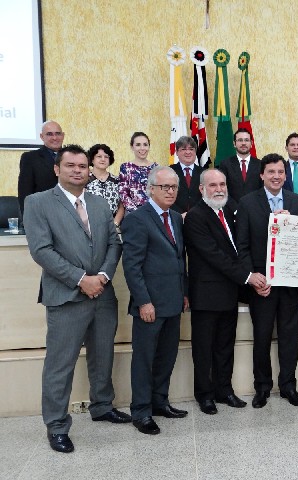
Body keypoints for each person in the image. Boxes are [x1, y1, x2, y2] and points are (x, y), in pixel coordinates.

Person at [23, 144, 128, 454]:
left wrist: (103, 277)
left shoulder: (98, 203)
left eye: (82, 166)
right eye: (70, 165)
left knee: (103, 355)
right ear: (57, 169)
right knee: (60, 364)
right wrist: (82, 280)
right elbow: (41, 251)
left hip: (103, 294)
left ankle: (102, 406)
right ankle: (57, 426)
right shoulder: (38, 202)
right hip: (66, 296)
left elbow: (114, 243)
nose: (77, 171)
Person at [183, 169, 267, 414]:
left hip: (229, 293)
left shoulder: (229, 211)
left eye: (222, 184)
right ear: (202, 189)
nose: (219, 189)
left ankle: (224, 390)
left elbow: (242, 243)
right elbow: (214, 255)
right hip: (206, 295)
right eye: (213, 185)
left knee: (224, 346)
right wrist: (248, 276)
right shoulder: (196, 217)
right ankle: (205, 395)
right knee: (204, 349)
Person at [236, 153, 298, 408]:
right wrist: (253, 278)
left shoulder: (297, 202)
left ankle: (289, 386)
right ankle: (262, 387)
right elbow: (242, 246)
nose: (276, 176)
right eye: (271, 172)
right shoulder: (247, 203)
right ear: (262, 175)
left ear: (285, 175)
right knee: (262, 337)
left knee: (290, 337)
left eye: (280, 172)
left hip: (290, 283)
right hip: (262, 284)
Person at [121, 166, 189, 435]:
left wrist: (184, 293)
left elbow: (179, 259)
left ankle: (160, 402)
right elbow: (132, 266)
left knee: (166, 356)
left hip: (173, 301)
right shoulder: (137, 219)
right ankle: (141, 411)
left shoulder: (176, 218)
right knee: (144, 360)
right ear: (151, 189)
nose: (170, 192)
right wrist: (143, 302)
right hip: (149, 305)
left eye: (174, 187)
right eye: (164, 187)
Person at [18, 120, 65, 214]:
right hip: (43, 212)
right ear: (41, 136)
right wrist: (27, 217)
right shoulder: (30, 158)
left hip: (69, 212)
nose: (54, 138)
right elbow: (25, 192)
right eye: (49, 134)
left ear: (63, 135)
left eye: (58, 133)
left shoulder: (72, 156)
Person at [218, 128, 263, 203]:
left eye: (246, 140)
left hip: (255, 207)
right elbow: (222, 189)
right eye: (240, 140)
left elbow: (263, 190)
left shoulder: (260, 164)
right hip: (231, 208)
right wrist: (234, 207)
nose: (243, 143)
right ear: (234, 143)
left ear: (251, 143)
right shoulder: (225, 164)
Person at [86, 144, 125, 229]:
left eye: (106, 157)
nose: (103, 159)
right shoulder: (84, 180)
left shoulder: (117, 180)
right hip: (90, 226)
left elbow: (121, 205)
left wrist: (115, 224)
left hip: (113, 226)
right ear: (92, 159)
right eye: (99, 156)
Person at [119, 132, 159, 214]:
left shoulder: (156, 167)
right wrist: (137, 213)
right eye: (138, 145)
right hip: (133, 213)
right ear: (132, 147)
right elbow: (123, 193)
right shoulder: (126, 167)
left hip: (154, 212)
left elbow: (160, 191)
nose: (142, 148)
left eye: (145, 144)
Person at [169, 136, 204, 216]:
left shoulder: (204, 173)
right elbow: (165, 195)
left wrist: (196, 213)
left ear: (195, 152)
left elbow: (208, 196)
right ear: (176, 152)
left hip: (199, 216)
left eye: (191, 149)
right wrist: (179, 214)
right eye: (183, 149)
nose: (188, 152)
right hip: (175, 216)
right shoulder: (169, 171)